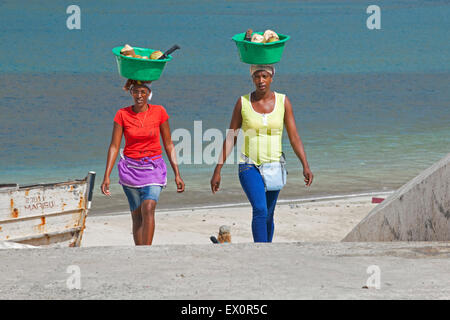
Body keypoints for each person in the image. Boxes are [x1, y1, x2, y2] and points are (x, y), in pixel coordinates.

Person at [210, 65, 313, 243]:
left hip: (275, 165)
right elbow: (231, 137)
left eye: (264, 76)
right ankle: (260, 251)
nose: (261, 81)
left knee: (269, 213)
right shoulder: (243, 102)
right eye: (257, 77)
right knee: (260, 209)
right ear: (252, 79)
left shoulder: (283, 101)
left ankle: (267, 251)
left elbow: (294, 136)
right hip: (249, 166)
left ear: (271, 78)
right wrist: (218, 169)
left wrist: (305, 165)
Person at [101, 80, 185, 245]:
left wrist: (177, 173)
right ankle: (140, 254)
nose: (139, 96)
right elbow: (114, 146)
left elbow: (168, 143)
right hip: (130, 170)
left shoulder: (159, 112)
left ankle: (148, 252)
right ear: (131, 93)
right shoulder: (122, 114)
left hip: (153, 168)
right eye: (136, 92)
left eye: (143, 92)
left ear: (149, 94)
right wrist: (106, 176)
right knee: (137, 215)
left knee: (148, 208)